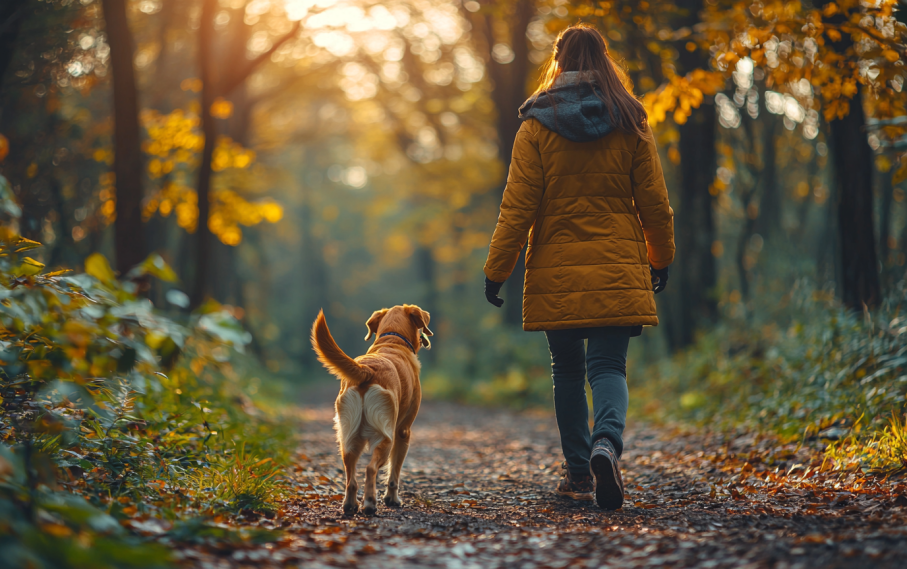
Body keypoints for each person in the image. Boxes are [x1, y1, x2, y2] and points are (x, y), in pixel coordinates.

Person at [482, 24, 674, 510]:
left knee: (566, 371)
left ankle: (578, 473)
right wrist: (661, 257)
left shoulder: (536, 123)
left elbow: (518, 207)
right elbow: (655, 201)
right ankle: (607, 445)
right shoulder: (631, 118)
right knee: (608, 365)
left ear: (559, 61)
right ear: (604, 59)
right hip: (617, 267)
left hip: (557, 269)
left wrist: (497, 269)